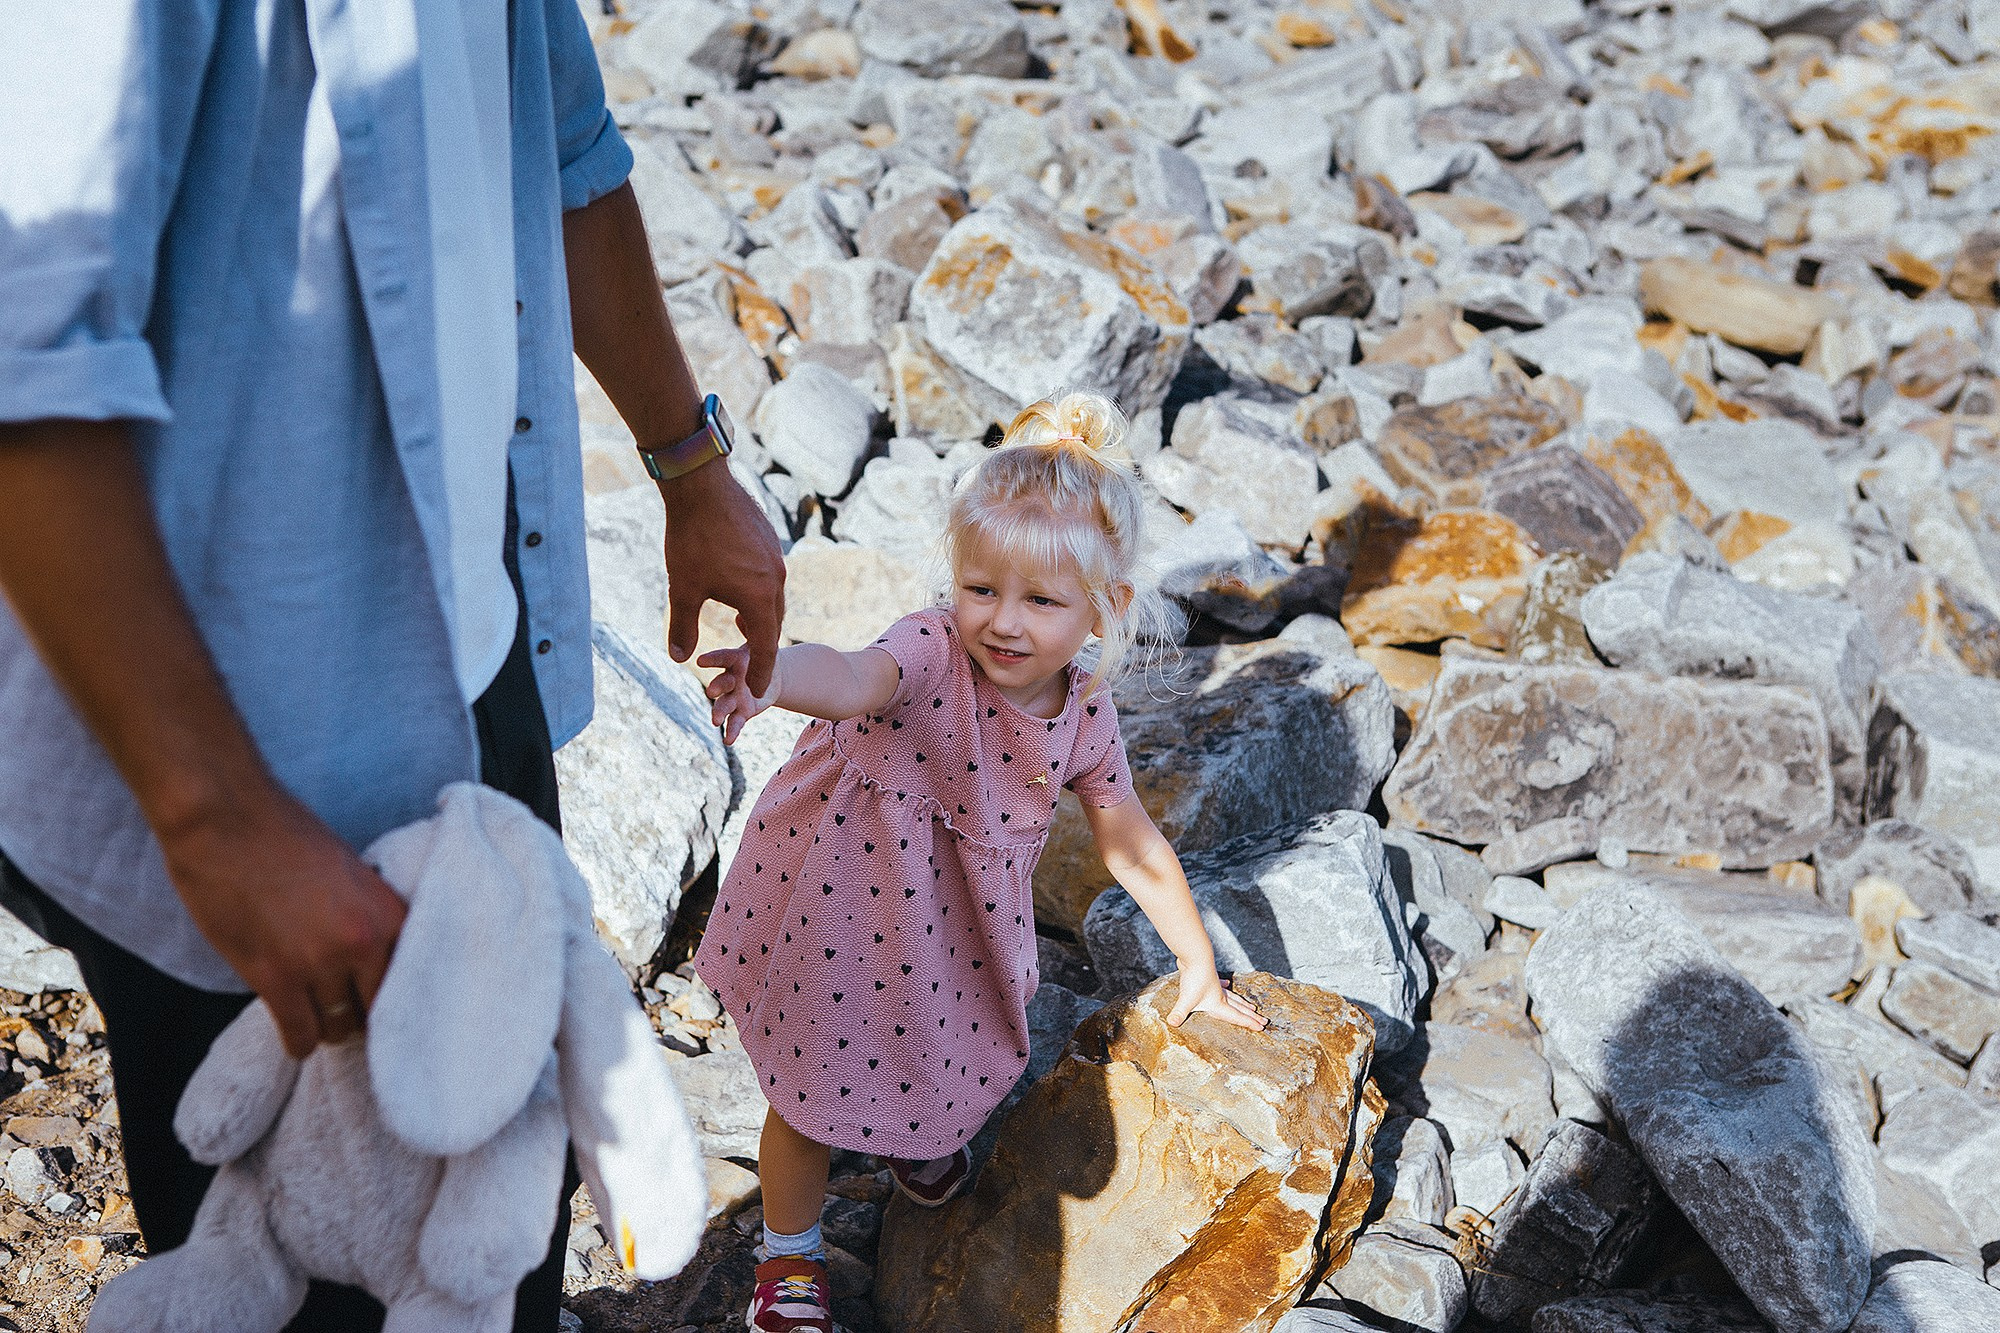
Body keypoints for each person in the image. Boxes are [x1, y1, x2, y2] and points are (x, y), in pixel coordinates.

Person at [0, 3, 783, 1329]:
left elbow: (564, 139)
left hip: (469, 654)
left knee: (502, 1246)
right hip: (235, 723)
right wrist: (219, 820)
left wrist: (689, 460)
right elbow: (27, 352)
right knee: (292, 1268)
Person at [694, 391, 1268, 1333]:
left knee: (954, 1048)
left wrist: (1197, 967)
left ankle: (914, 1133)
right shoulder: (929, 649)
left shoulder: (1084, 711)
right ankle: (788, 1259)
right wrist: (775, 674)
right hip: (840, 899)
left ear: (1103, 609)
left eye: (1041, 601)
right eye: (981, 588)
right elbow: (852, 675)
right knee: (806, 1094)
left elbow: (1129, 840)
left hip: (950, 930)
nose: (1003, 622)